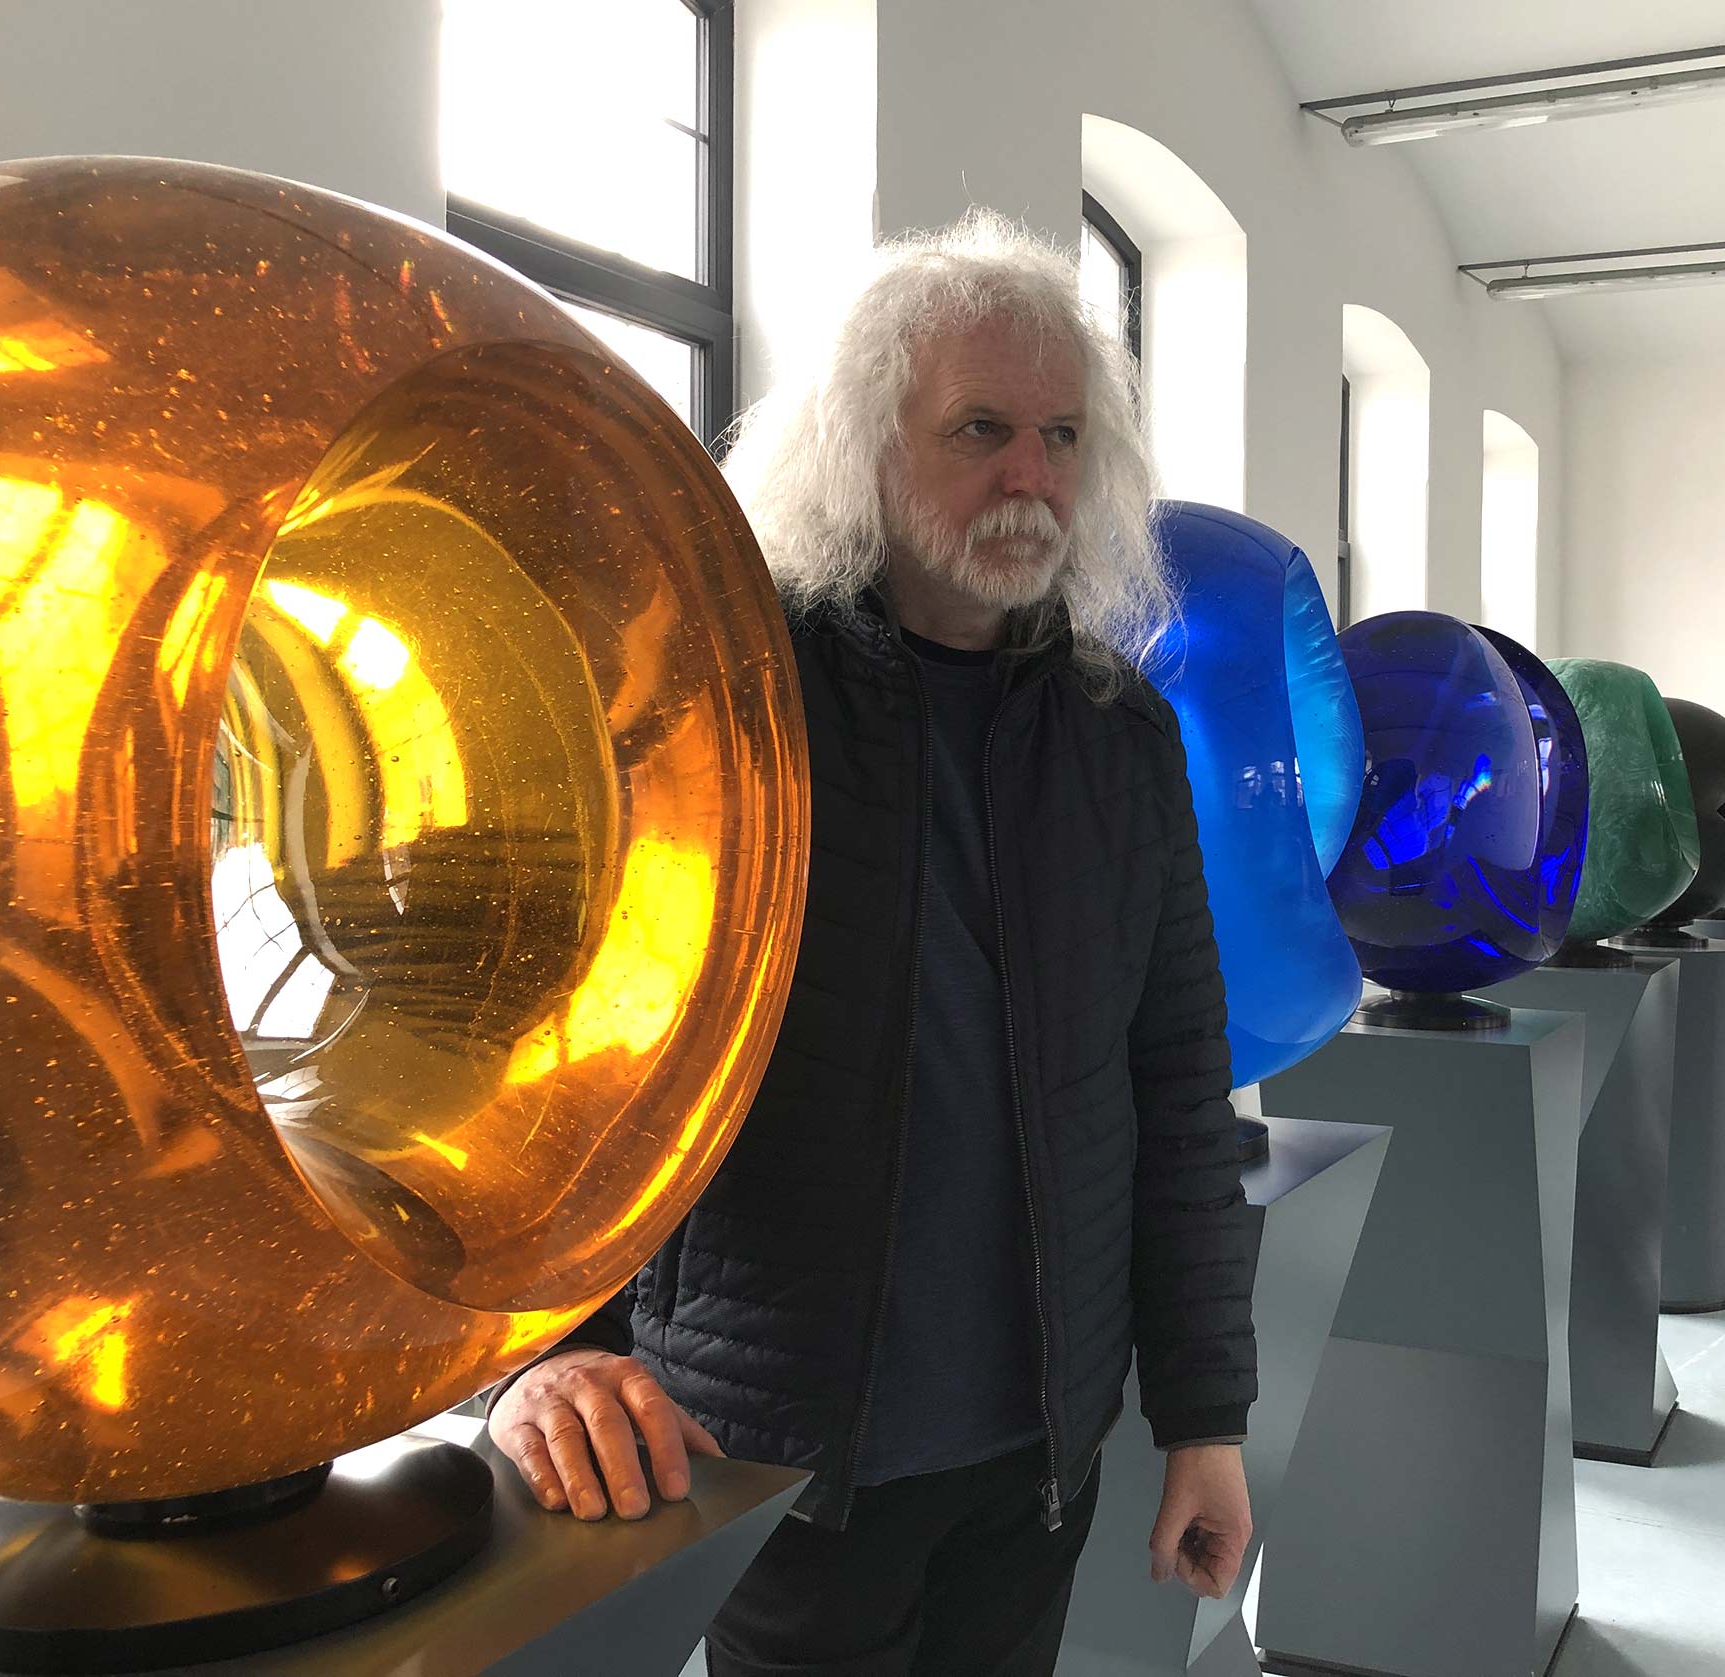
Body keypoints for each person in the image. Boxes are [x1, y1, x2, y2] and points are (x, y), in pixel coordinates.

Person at [489, 211, 1259, 1675]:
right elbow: (562, 1041)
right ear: (862, 443)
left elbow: (1176, 1087)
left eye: (1061, 435)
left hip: (1037, 1457)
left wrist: (1204, 1422)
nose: (1030, 474)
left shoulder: (1124, 736)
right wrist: (546, 1351)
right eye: (980, 429)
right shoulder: (722, 693)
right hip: (777, 1449)